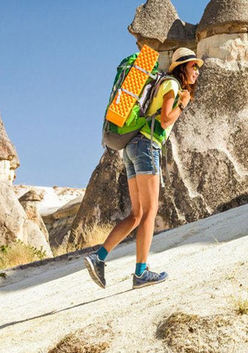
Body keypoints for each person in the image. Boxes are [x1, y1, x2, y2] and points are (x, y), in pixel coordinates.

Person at [84, 47, 203, 289]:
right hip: (147, 146)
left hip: (132, 147)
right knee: (150, 212)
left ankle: (99, 258)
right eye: (193, 66)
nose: (197, 72)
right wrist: (183, 103)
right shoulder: (171, 85)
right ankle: (141, 272)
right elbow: (165, 119)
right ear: (182, 67)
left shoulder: (165, 83)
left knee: (136, 215)